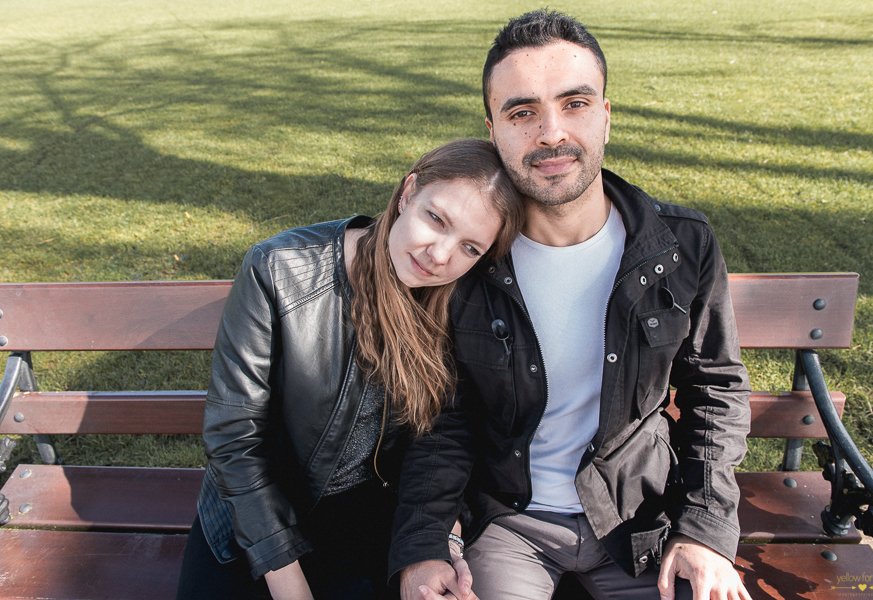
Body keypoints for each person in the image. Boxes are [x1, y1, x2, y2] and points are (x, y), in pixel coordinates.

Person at [389, 11, 753, 600]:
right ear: (494, 129)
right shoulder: (469, 261)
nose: (551, 133)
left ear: (606, 116)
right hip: (509, 527)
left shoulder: (679, 245)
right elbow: (443, 419)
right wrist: (426, 545)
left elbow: (716, 390)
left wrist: (706, 532)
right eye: (523, 112)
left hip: (640, 522)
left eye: (575, 103)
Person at [175, 138, 522, 600]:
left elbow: (445, 434)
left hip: (368, 524)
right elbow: (236, 439)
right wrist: (289, 584)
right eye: (435, 218)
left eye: (470, 247)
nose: (440, 256)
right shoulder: (279, 268)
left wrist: (439, 539)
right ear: (408, 192)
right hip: (257, 514)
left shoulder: (460, 298)